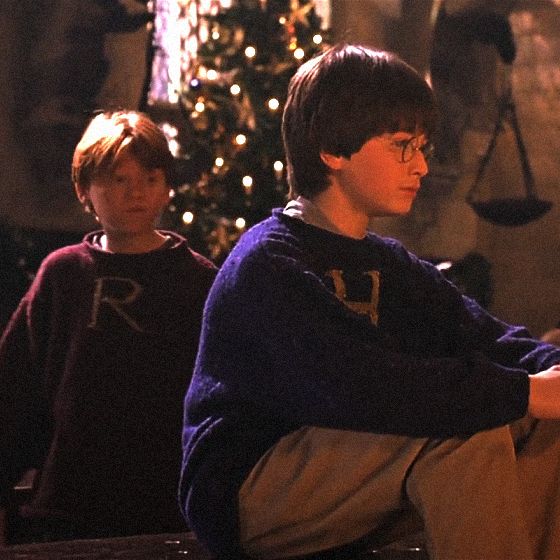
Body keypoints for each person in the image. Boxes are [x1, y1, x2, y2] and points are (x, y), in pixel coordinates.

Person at [179, 44, 560, 560]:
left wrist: (551, 371)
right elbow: (357, 383)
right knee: (468, 431)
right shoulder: (267, 262)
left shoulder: (390, 264)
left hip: (356, 465)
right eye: (404, 145)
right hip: (253, 487)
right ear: (333, 149)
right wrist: (522, 392)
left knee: (545, 423)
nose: (422, 166)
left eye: (422, 147)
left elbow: (487, 337)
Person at [0, 110, 217, 545]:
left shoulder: (199, 280)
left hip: (169, 508)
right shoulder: (63, 274)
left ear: (167, 187)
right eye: (119, 179)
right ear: (85, 190)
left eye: (151, 178)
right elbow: (15, 389)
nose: (136, 192)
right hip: (70, 504)